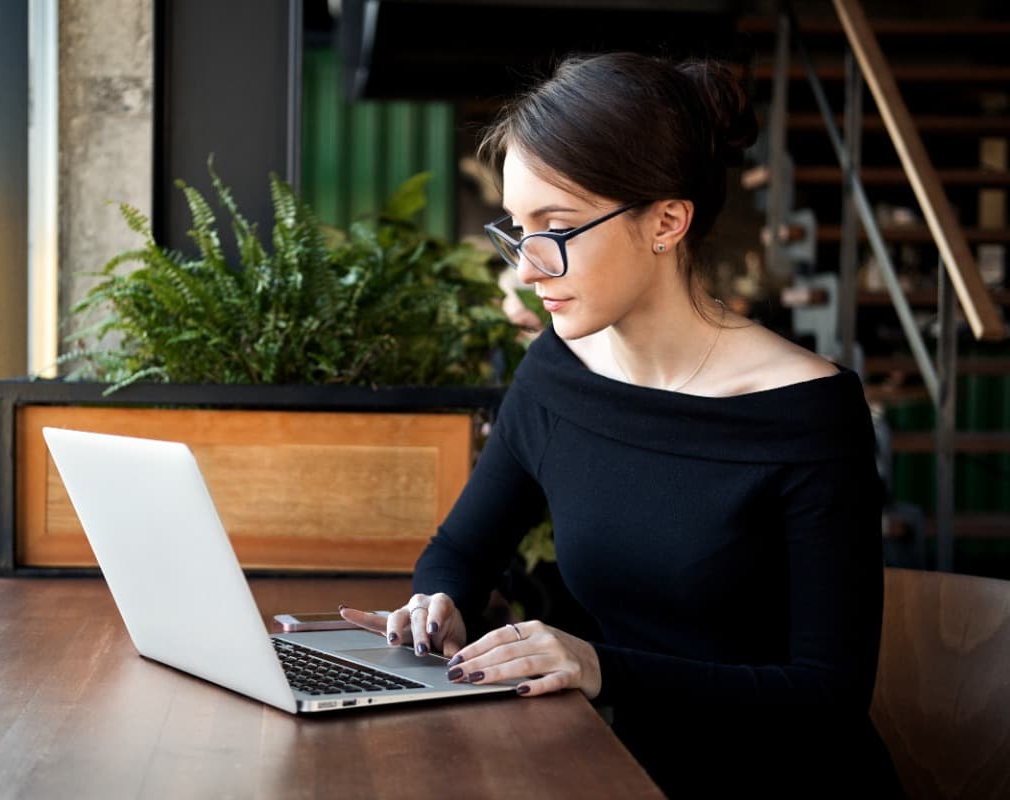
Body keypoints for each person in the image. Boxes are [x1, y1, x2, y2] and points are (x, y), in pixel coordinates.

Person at [340, 52, 903, 798]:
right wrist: (436, 603)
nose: (527, 269)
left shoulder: (806, 414)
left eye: (557, 228)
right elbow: (461, 549)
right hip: (615, 772)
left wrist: (601, 665)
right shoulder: (558, 369)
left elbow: (826, 694)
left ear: (667, 221)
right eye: (517, 228)